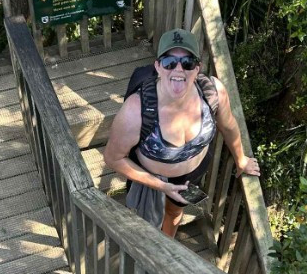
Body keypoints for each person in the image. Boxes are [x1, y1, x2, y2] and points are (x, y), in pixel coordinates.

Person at [103, 28, 260, 237]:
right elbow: (113, 158)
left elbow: (229, 125)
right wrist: (160, 186)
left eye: (187, 63)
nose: (178, 70)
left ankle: (167, 244)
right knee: (144, 219)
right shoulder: (135, 111)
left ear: (197, 68)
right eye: (169, 62)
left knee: (175, 213)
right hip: (152, 177)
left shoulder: (212, 92)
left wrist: (241, 160)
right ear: (158, 66)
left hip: (191, 174)